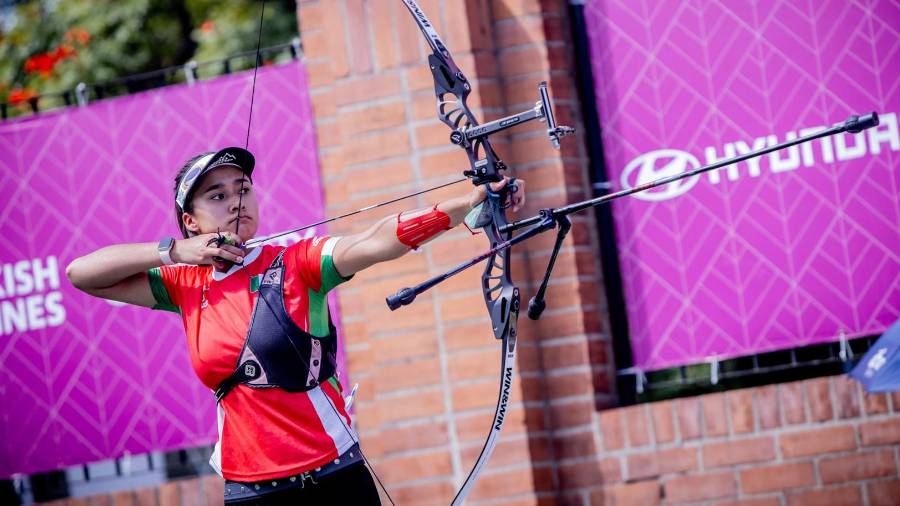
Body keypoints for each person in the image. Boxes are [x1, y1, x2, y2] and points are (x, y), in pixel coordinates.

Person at [65, 147, 525, 504]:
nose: (235, 201)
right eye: (217, 195)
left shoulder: (296, 263)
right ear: (191, 220)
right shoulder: (183, 283)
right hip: (251, 492)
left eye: (242, 187)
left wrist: (463, 208)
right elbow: (82, 274)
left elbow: (374, 241)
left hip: (335, 478)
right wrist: (174, 252)